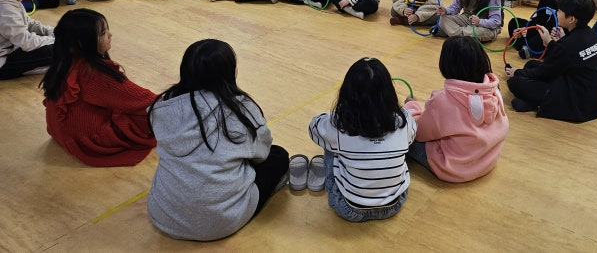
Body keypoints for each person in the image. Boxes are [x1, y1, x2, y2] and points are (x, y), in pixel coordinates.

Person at [147, 39, 289, 241]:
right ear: (230, 72)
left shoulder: (165, 105)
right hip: (221, 222)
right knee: (278, 156)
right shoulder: (241, 109)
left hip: (164, 216)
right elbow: (262, 154)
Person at [40, 9, 157, 166]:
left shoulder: (64, 62)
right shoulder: (95, 73)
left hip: (60, 132)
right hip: (90, 141)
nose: (110, 35)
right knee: (151, 113)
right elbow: (143, 99)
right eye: (103, 33)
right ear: (82, 43)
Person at [308, 57, 416, 222]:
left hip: (349, 208)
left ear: (347, 94)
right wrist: (409, 107)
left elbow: (313, 128)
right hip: (394, 203)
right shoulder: (404, 120)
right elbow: (412, 134)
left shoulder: (338, 124)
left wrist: (332, 117)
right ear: (389, 93)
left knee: (330, 146)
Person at [404, 36, 509, 182]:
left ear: (446, 64)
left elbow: (418, 132)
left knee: (402, 132)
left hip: (454, 169)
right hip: (487, 159)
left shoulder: (443, 100)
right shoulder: (494, 90)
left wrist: (411, 107)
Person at [505, 0, 597, 123]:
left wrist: (516, 72)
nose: (557, 13)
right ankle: (533, 102)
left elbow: (544, 71)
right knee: (531, 64)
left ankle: (539, 103)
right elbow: (566, 58)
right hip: (590, 98)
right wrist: (552, 43)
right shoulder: (590, 34)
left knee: (515, 82)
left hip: (575, 103)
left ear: (571, 19)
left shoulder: (568, 44)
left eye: (560, 11)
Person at [509, 0, 577, 59]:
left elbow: (576, 29)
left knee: (549, 32)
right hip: (545, 28)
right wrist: (526, 28)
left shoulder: (576, 0)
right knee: (514, 23)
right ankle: (530, 47)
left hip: (561, 34)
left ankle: (531, 47)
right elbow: (540, 19)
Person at [0, 0, 54, 80]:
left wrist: (53, 32)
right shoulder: (5, 10)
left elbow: (29, 23)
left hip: (12, 49)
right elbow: (25, 42)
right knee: (54, 50)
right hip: (3, 63)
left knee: (54, 46)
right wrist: (54, 40)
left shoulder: (12, 1)